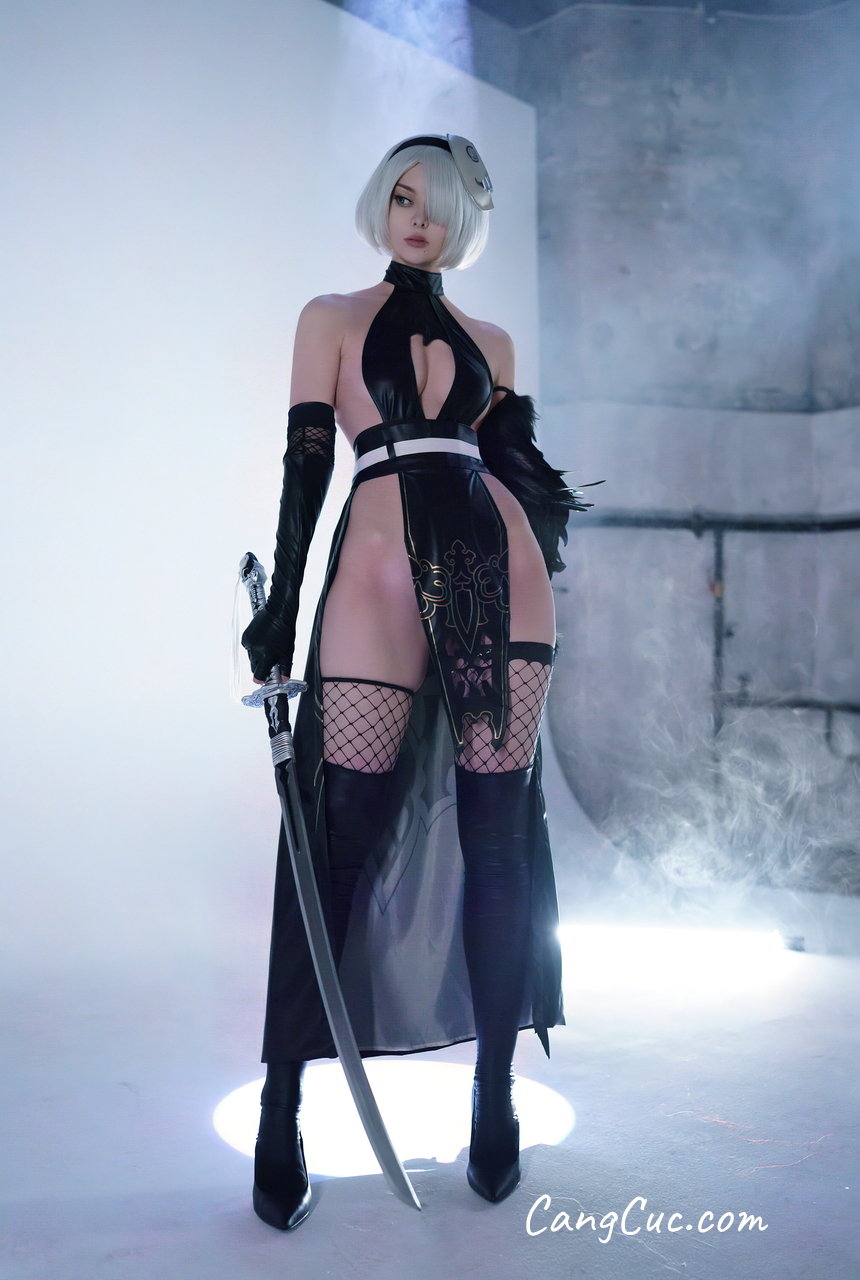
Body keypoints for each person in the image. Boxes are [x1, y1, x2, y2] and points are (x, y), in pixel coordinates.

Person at [241, 134, 589, 1231]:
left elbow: (517, 474)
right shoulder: (330, 319)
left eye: (437, 202)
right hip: (377, 565)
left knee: (498, 836)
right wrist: (280, 603)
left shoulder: (496, 342)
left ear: (464, 220)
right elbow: (306, 467)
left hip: (499, 572)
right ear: (379, 204)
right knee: (333, 841)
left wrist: (547, 548)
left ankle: (494, 1096)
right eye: (401, 195)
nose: (418, 216)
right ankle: (284, 1103)